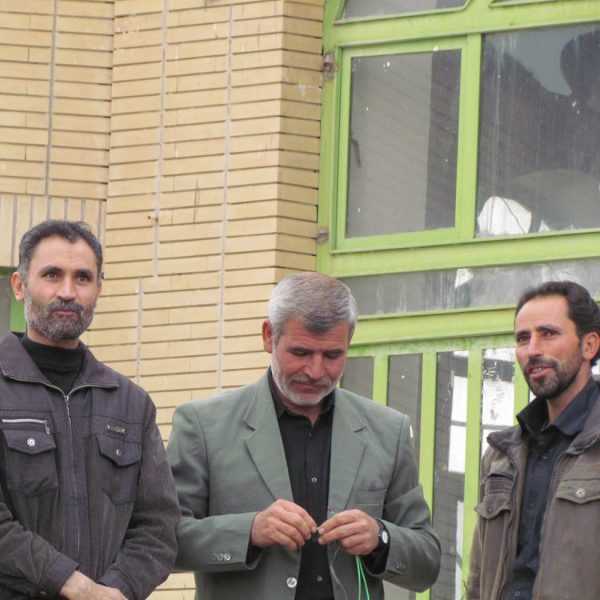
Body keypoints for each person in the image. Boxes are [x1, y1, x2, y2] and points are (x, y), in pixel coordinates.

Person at [167, 272, 440, 600]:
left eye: (332, 356)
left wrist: (380, 538)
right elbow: (164, 539)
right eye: (300, 353)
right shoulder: (202, 426)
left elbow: (428, 560)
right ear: (268, 336)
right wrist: (250, 531)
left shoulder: (388, 431)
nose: (315, 371)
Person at [0, 220, 179, 599]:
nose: (68, 292)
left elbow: (158, 526)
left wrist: (115, 590)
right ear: (19, 285)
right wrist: (69, 582)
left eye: (82, 278)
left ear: (98, 288)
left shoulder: (130, 403)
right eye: (52, 275)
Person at [467, 280, 600, 599]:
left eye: (548, 333)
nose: (533, 350)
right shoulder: (501, 455)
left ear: (589, 345)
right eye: (522, 338)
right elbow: (478, 579)